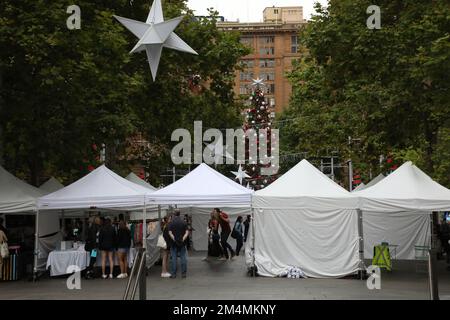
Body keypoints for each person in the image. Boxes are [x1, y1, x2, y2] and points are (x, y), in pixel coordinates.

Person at [168, 209, 189, 278]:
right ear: (180, 214)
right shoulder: (184, 222)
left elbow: (170, 233)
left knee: (173, 258)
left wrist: (174, 239)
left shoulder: (171, 222)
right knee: (183, 257)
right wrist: (183, 239)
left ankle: (173, 274)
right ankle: (183, 274)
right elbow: (187, 232)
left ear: (174, 214)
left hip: (174, 243)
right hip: (182, 242)